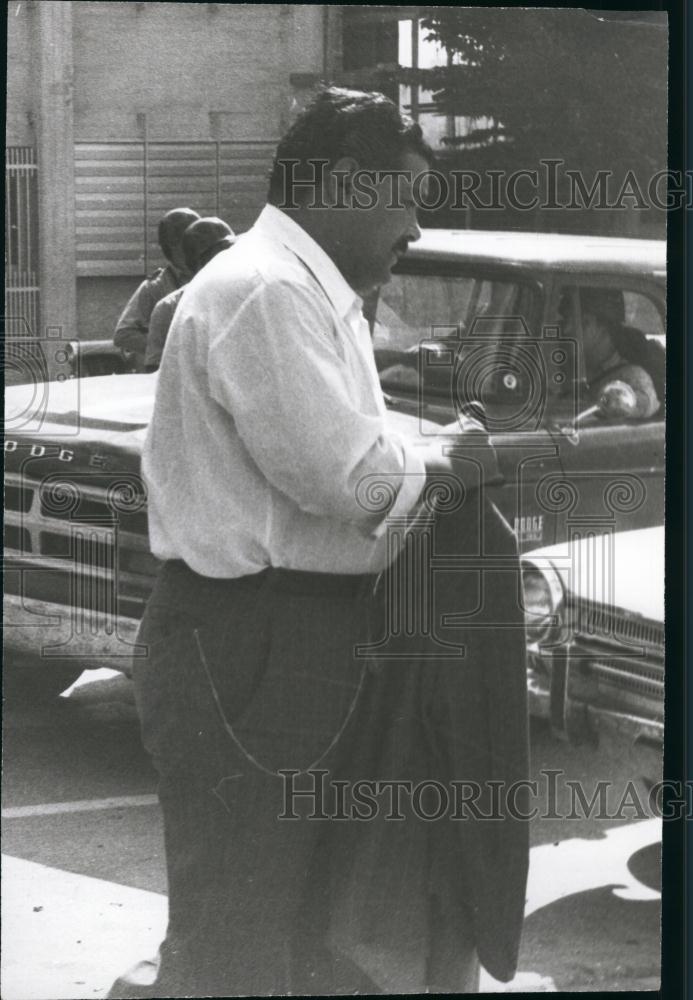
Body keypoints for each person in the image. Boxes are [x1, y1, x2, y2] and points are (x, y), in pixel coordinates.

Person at [108, 88, 529, 997]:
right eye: (408, 196)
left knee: (295, 921)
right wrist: (448, 459)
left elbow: (354, 455)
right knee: (237, 929)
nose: (415, 227)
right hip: (251, 642)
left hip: (285, 637)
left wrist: (419, 455)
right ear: (342, 181)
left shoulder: (307, 289)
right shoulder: (264, 290)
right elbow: (351, 480)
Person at [143, 217, 235, 372]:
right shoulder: (169, 308)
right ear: (198, 263)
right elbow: (156, 374)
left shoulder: (250, 297)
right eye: (221, 254)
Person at [113, 207, 200, 371]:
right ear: (173, 246)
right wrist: (164, 345)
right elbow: (123, 334)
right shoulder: (155, 287)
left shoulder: (207, 275)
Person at [562, 286, 663, 417]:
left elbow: (643, 408)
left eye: (582, 323)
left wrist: (618, 403)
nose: (566, 330)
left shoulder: (633, 377)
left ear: (606, 328)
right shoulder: (568, 367)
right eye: (566, 321)